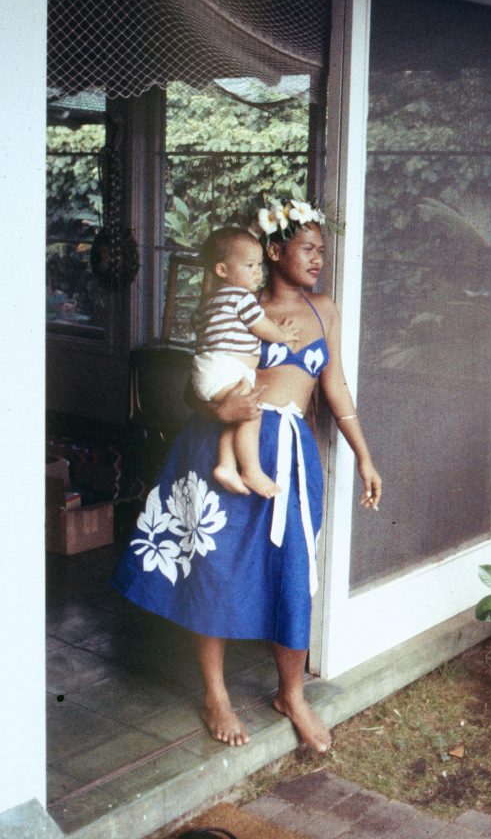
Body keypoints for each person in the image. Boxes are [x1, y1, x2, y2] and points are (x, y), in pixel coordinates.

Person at [112, 197, 382, 754]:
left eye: (322, 251)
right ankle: (216, 694)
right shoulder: (235, 302)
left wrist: (364, 455)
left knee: (292, 570)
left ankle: (292, 694)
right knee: (212, 566)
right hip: (223, 444)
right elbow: (197, 385)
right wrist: (222, 412)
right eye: (307, 249)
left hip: (286, 451)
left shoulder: (323, 309)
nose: (317, 260)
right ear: (274, 250)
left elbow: (335, 388)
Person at [192, 226, 299, 499]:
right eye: (249, 265)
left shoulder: (209, 301)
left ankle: (227, 465)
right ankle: (251, 469)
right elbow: (263, 327)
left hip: (212, 372)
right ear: (222, 271)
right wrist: (283, 334)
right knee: (251, 413)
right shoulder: (241, 297)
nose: (257, 273)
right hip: (226, 369)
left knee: (239, 416)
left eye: (259, 265)